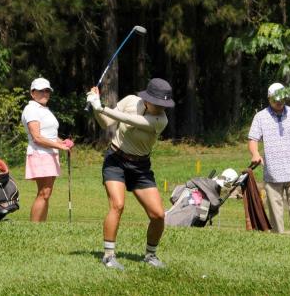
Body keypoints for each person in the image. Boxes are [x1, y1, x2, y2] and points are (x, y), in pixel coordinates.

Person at [86, 78, 175, 270]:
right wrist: (96, 107)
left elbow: (130, 120)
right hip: (115, 160)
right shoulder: (130, 101)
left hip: (141, 167)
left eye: (164, 105)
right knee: (117, 205)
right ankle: (109, 256)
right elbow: (106, 123)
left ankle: (150, 256)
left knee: (158, 215)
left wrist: (100, 106)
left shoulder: (161, 120)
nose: (161, 108)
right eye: (158, 104)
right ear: (147, 99)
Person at [248, 82, 290, 235]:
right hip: (272, 173)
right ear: (269, 98)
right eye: (276, 99)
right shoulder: (260, 117)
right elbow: (252, 139)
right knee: (275, 216)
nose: (279, 102)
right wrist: (255, 154)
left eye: (282, 99)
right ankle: (278, 242)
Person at [21, 77, 74, 222]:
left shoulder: (44, 110)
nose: (45, 93)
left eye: (47, 91)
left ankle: (41, 226)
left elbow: (49, 136)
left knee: (46, 192)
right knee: (44, 192)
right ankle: (35, 227)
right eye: (41, 91)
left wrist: (62, 142)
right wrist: (59, 146)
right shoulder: (31, 109)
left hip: (49, 154)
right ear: (32, 93)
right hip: (40, 153)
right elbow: (37, 137)